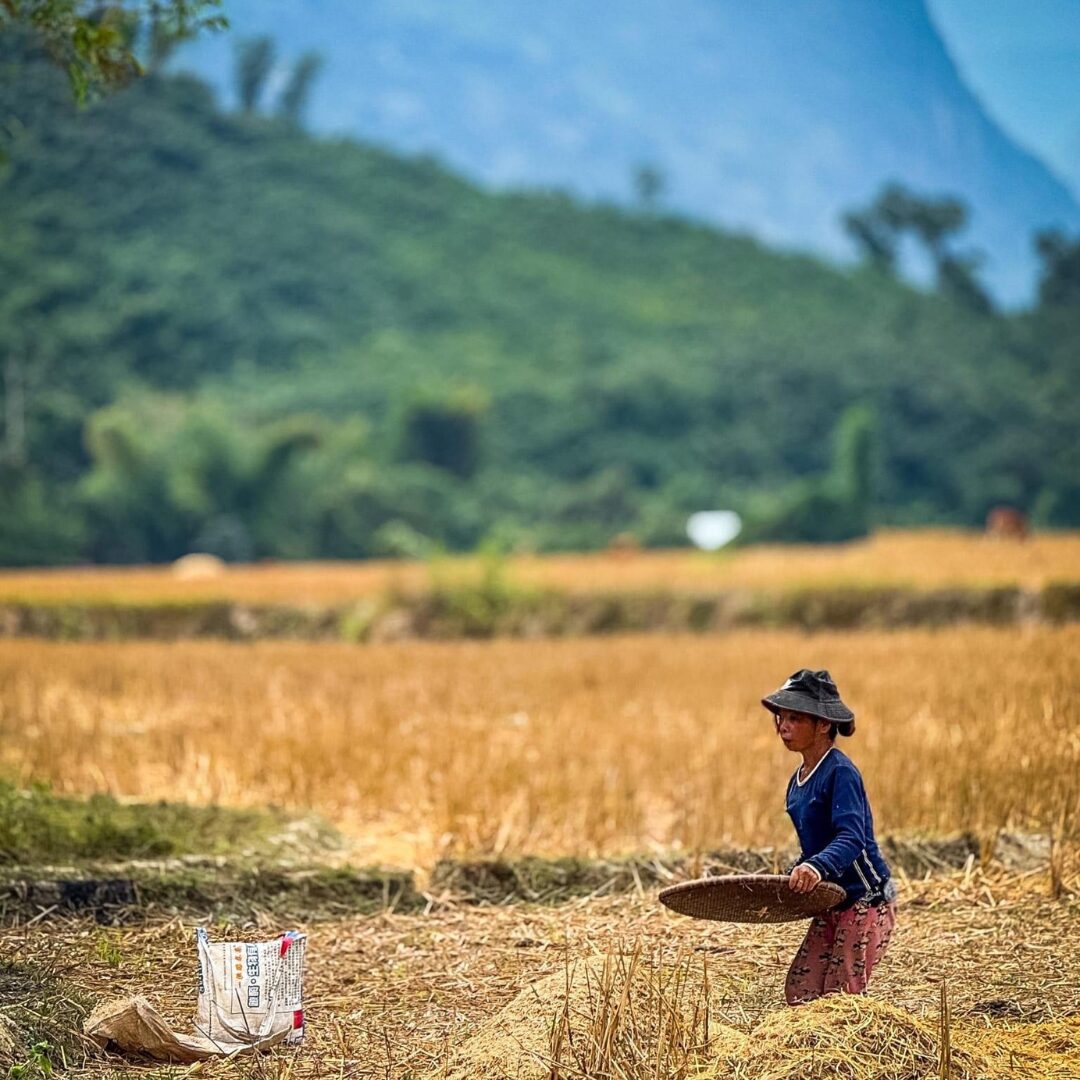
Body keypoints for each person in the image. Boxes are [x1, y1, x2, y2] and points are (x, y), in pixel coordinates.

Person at [761, 668, 897, 1006]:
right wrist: (797, 872)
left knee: (841, 1000)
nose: (783, 726)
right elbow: (815, 848)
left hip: (865, 900)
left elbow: (851, 838)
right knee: (801, 990)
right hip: (831, 899)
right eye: (781, 718)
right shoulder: (798, 782)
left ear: (823, 724)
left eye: (795, 718)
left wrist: (815, 868)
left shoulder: (841, 772)